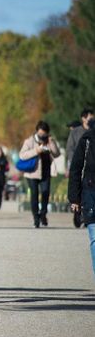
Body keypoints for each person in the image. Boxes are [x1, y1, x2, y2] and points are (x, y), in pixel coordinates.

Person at [19, 121, 60, 228]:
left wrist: (52, 143)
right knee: (34, 195)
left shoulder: (49, 140)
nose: (42, 136)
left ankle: (43, 214)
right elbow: (22, 155)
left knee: (45, 193)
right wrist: (36, 150)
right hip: (32, 173)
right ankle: (36, 218)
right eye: (40, 133)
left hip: (46, 172)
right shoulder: (29, 141)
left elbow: (57, 154)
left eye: (44, 134)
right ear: (37, 131)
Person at [68, 119, 95, 275]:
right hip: (90, 193)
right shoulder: (87, 140)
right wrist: (74, 198)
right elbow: (76, 169)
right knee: (94, 237)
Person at [66, 108, 94, 178]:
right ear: (83, 118)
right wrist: (75, 162)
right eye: (89, 118)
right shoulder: (75, 132)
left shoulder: (93, 131)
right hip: (79, 166)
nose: (92, 120)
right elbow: (69, 149)